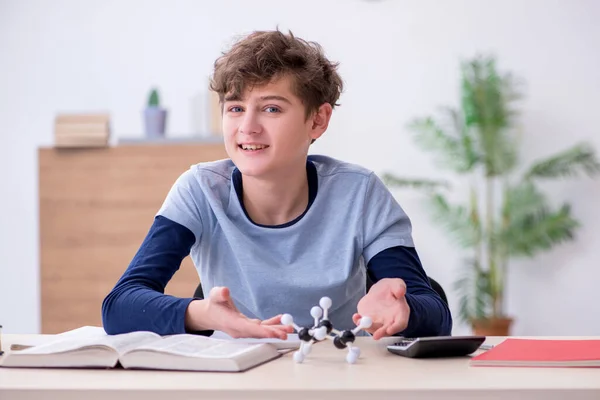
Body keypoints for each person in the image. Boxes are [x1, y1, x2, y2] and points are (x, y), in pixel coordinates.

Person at [102, 29, 452, 340]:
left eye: (270, 109)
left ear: (317, 120)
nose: (247, 128)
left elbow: (436, 314)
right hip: (235, 379)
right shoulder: (200, 190)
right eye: (235, 108)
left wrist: (404, 310)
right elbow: (120, 305)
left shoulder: (359, 193)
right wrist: (203, 315)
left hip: (338, 378)